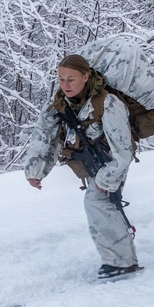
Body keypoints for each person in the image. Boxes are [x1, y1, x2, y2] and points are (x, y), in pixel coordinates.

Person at [25, 55, 140, 280]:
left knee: (97, 201)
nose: (65, 86)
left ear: (86, 77)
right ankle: (120, 259)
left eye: (71, 80)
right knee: (103, 206)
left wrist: (109, 179)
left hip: (113, 160)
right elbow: (44, 137)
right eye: (61, 80)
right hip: (91, 162)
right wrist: (35, 172)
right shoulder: (58, 104)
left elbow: (124, 150)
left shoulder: (107, 103)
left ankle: (121, 262)